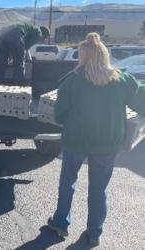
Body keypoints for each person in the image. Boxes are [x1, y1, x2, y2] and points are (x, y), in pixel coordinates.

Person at [47, 33, 145, 246]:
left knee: (68, 182)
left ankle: (61, 223)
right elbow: (141, 102)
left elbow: (60, 115)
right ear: (104, 55)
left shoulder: (72, 80)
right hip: (107, 143)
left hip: (76, 140)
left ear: (82, 56)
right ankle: (94, 233)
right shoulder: (122, 79)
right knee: (99, 188)